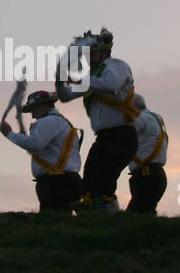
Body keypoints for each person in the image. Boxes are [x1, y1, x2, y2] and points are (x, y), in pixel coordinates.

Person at [55, 28, 138, 211]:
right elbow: (65, 97)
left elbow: (112, 85)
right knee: (89, 183)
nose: (89, 58)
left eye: (93, 54)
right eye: (87, 55)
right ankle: (97, 220)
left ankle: (110, 222)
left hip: (122, 135)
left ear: (105, 52)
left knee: (102, 182)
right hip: (104, 138)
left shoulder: (116, 65)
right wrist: (60, 82)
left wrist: (77, 80)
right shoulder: (92, 77)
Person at [0, 91, 83, 212]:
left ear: (42, 106)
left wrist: (9, 134)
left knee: (51, 224)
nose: (32, 115)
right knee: (62, 225)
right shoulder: (61, 122)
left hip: (57, 183)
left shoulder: (48, 121)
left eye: (33, 110)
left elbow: (34, 144)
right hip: (66, 180)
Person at [126, 94, 168, 215]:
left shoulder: (141, 119)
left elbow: (125, 132)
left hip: (146, 176)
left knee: (135, 216)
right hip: (156, 173)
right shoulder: (156, 118)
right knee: (144, 213)